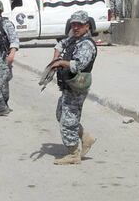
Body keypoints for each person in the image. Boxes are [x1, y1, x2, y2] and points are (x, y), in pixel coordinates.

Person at [49, 10, 97, 165]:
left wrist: (61, 63)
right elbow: (61, 43)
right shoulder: (73, 39)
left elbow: (78, 64)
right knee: (61, 114)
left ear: (87, 26)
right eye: (73, 24)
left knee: (68, 120)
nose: (76, 27)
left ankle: (73, 154)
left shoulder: (86, 45)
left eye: (79, 25)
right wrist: (56, 55)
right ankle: (85, 137)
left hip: (77, 85)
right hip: (68, 85)